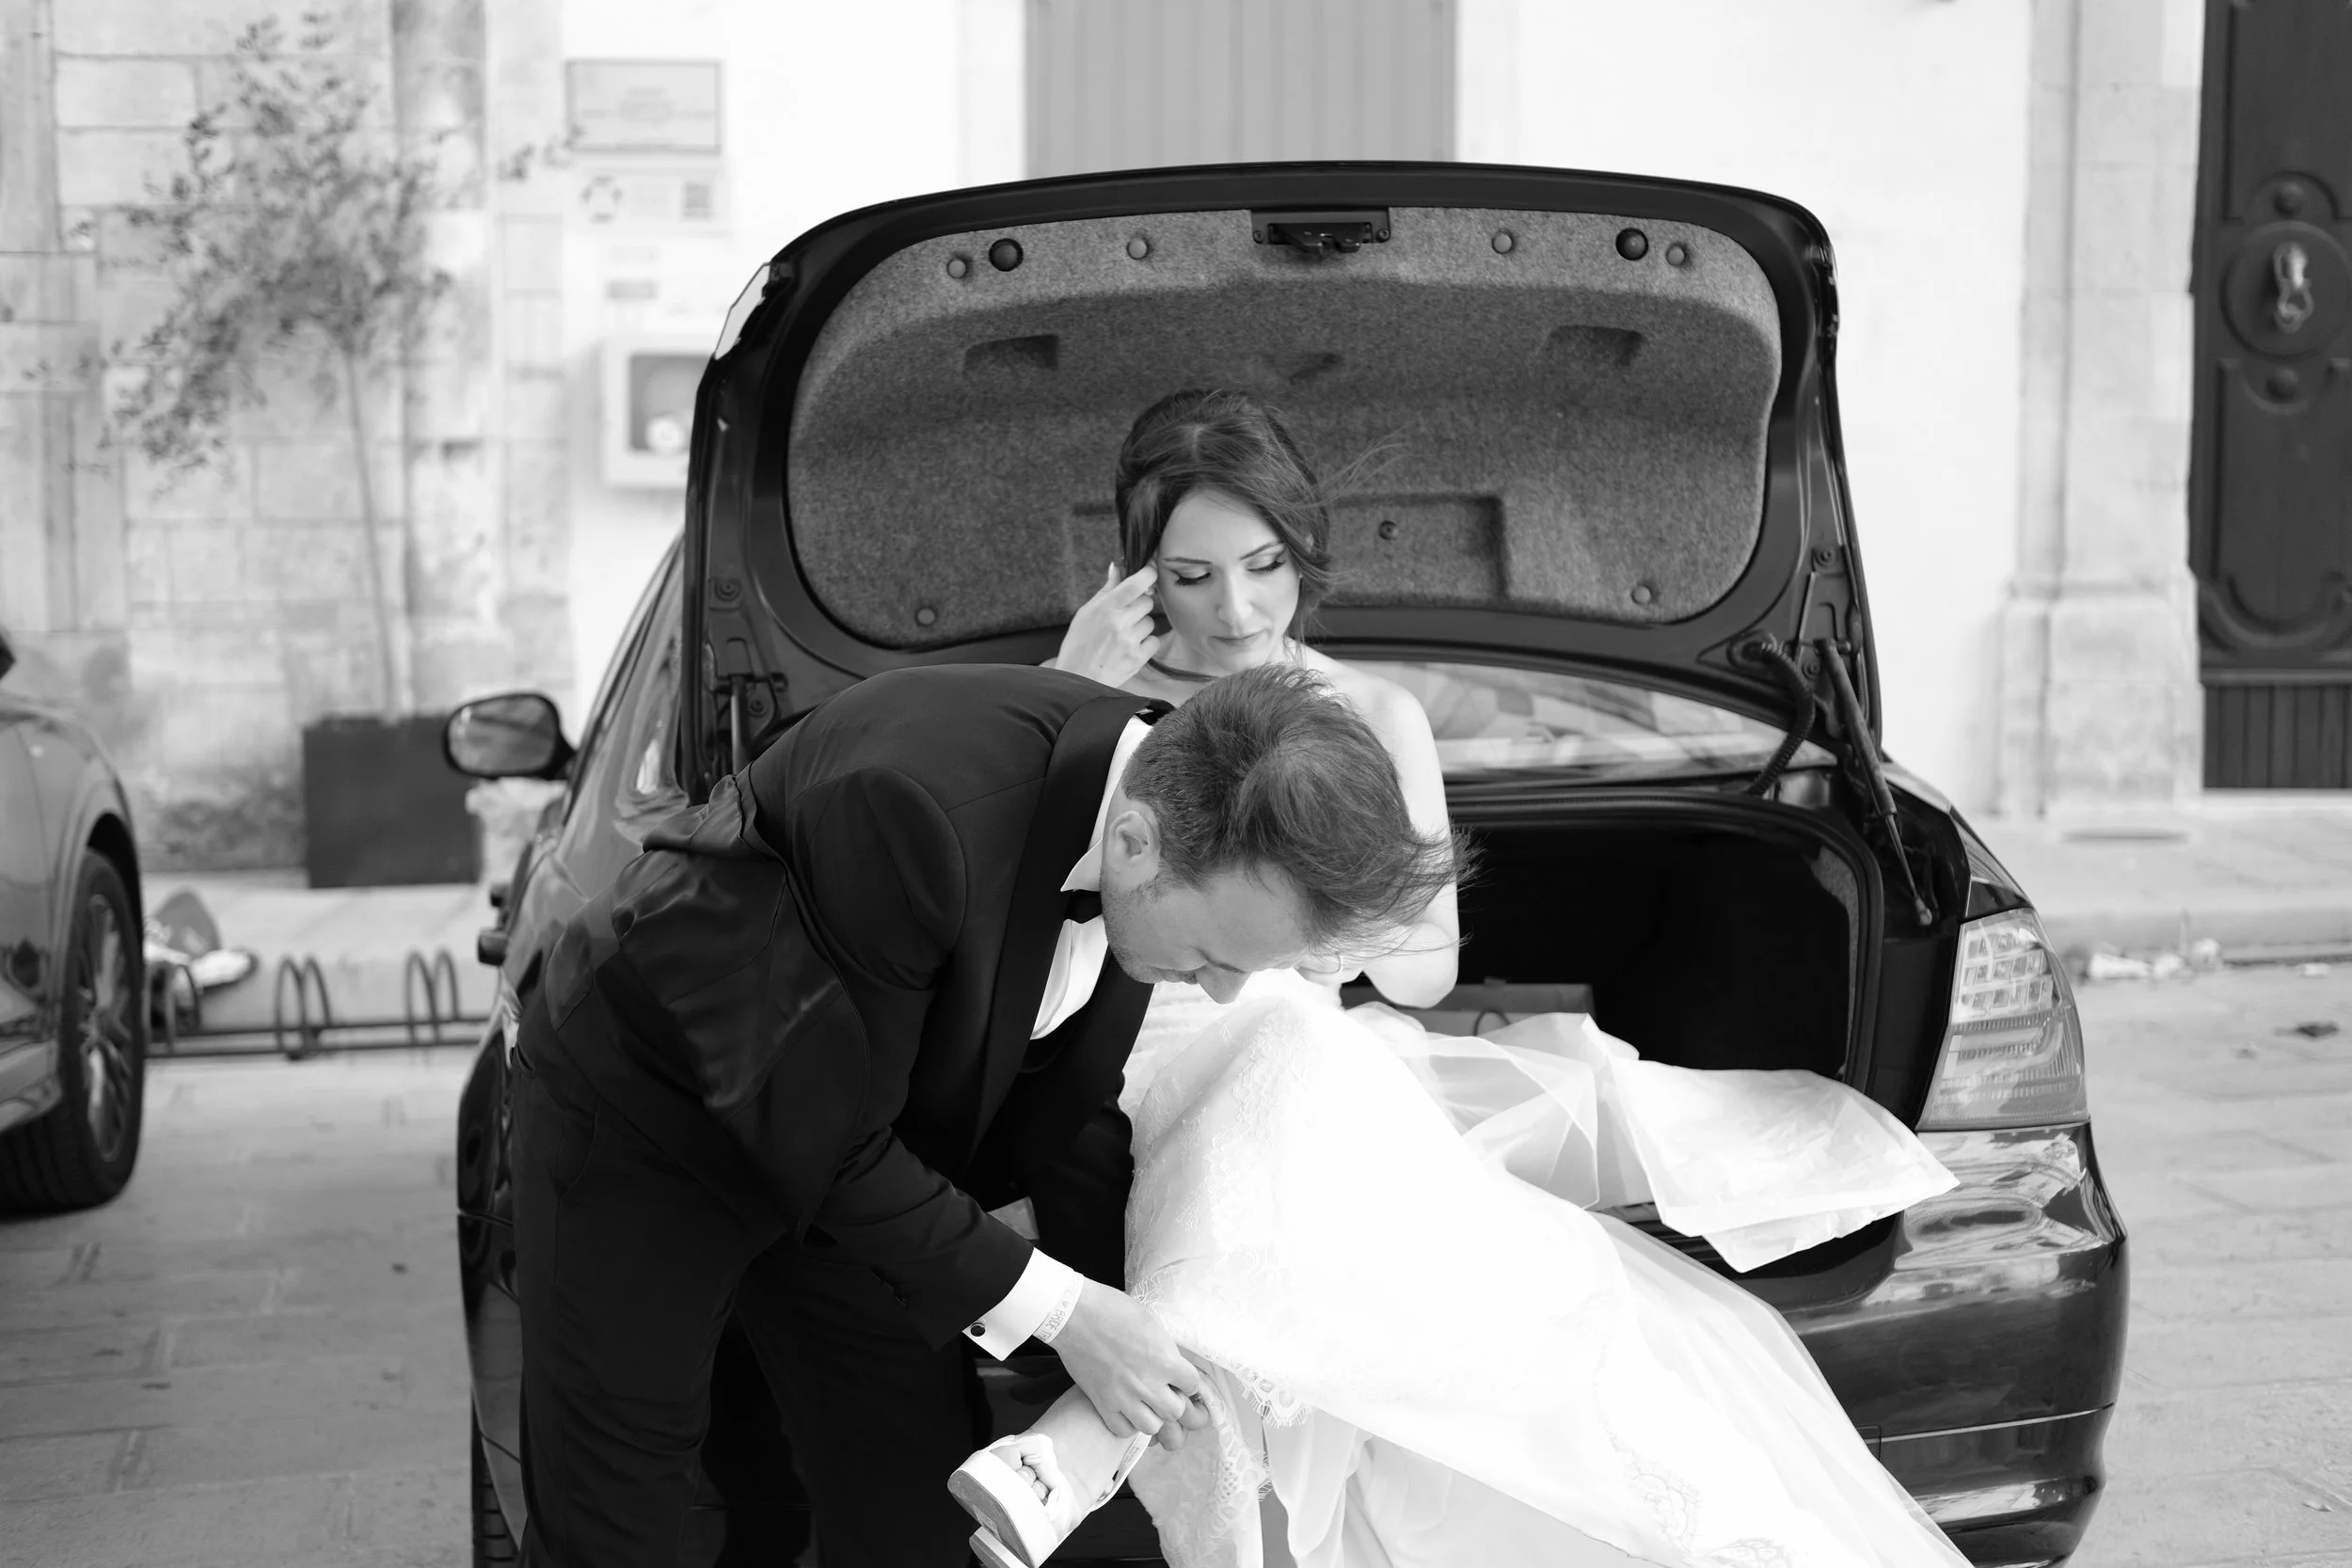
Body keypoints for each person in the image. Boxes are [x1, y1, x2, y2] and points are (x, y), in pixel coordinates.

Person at [948, 388, 1969, 1568]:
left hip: (1296, 1045)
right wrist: (1067, 681)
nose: (1236, 609)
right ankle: (1082, 1449)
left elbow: (1426, 969)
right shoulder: (1089, 695)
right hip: (1102, 1044)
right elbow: (1002, 892)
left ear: (1305, 548)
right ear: (1138, 574)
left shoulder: (1372, 713)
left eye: (1266, 565)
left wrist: (1311, 931)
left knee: (1292, 1049)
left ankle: (1077, 1451)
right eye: (1191, 575)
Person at [508, 656, 1461, 1567]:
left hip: (856, 1154)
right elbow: (831, 1145)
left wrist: (1146, 1314)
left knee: (913, 1494)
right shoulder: (908, 809)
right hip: (649, 1122)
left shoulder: (1162, 807)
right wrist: (1071, 1314)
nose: (1220, 991)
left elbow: (1066, 1108)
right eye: (1215, 957)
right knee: (618, 1514)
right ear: (1133, 842)